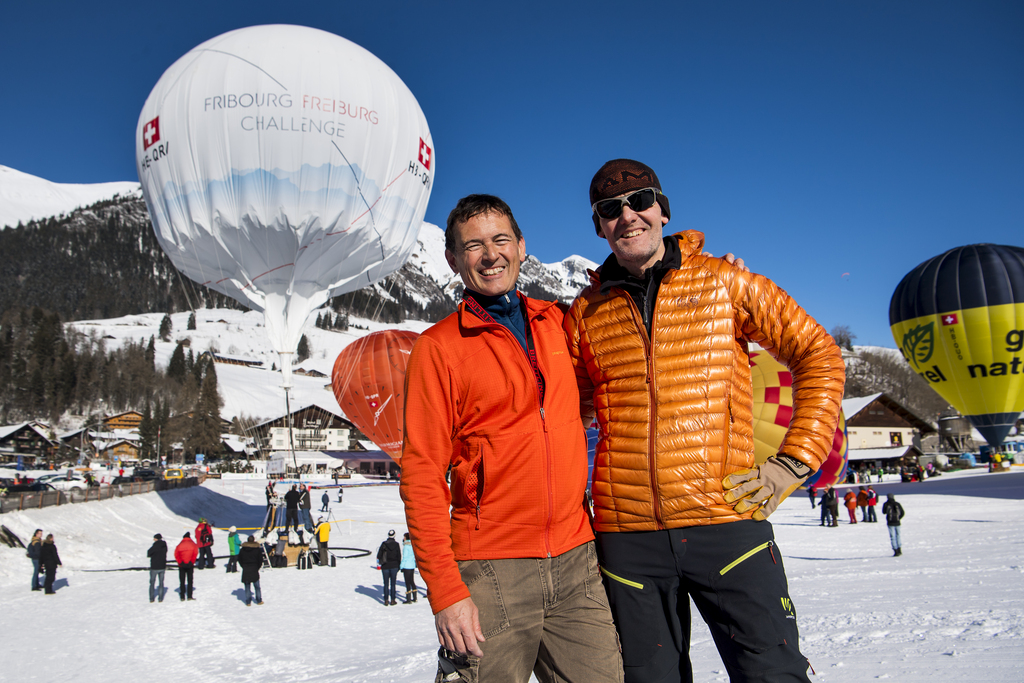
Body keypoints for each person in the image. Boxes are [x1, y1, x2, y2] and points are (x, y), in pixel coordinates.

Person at [563, 159, 845, 683]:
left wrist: (793, 462)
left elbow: (819, 355)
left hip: (727, 520)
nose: (627, 216)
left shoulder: (725, 282)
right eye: (609, 209)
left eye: (640, 200)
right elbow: (573, 416)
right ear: (599, 226)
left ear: (663, 210)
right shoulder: (585, 311)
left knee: (772, 673)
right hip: (628, 539)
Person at [401, 195, 622, 682]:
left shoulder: (561, 322)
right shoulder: (438, 348)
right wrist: (446, 592)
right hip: (490, 570)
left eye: (501, 240)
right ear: (453, 260)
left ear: (522, 247)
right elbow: (420, 475)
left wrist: (690, 269)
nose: (490, 255)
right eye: (473, 246)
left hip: (577, 560)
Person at [376, 529, 401, 606]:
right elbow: (399, 556)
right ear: (394, 536)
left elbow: (378, 555)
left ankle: (386, 600)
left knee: (386, 584)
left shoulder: (384, 544)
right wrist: (398, 565)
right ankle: (393, 599)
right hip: (394, 566)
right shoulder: (396, 544)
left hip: (385, 566)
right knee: (393, 584)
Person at [238, 534, 264, 605]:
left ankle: (248, 601)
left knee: (247, 586)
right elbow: (260, 560)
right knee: (257, 586)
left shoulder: (242, 550)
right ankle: (259, 600)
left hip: (246, 569)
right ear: (254, 540)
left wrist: (243, 566)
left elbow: (239, 559)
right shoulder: (257, 549)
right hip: (254, 568)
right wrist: (257, 567)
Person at [175, 532, 198, 601]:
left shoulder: (179, 545)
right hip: (190, 565)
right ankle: (189, 596)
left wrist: (181, 562)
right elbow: (195, 554)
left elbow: (176, 555)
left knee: (182, 581)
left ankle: (182, 596)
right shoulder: (193, 544)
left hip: (181, 565)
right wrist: (191, 562)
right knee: (190, 581)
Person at [148, 533, 167, 602]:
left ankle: (151, 598)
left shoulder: (155, 545)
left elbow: (149, 553)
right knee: (161, 583)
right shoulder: (164, 545)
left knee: (152, 583)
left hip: (154, 566)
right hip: (162, 566)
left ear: (156, 539)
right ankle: (160, 598)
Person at [400, 532, 418, 604]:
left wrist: (401, 566)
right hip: (412, 565)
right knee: (412, 581)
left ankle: (408, 598)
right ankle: (415, 597)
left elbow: (404, 557)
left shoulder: (406, 547)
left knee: (407, 582)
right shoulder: (413, 546)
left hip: (407, 566)